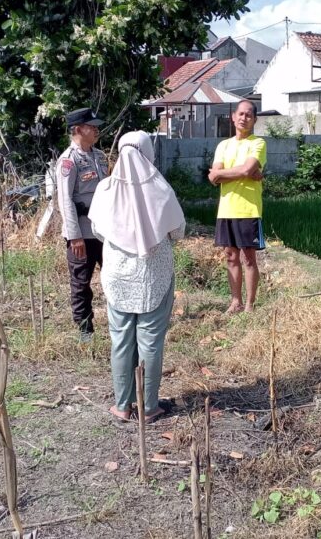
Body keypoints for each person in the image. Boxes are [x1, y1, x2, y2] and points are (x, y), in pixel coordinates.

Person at [88, 131, 186, 422]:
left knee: (120, 340)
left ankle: (122, 406)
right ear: (148, 153)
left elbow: (97, 230)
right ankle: (148, 407)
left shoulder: (105, 189)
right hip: (153, 276)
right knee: (151, 341)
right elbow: (178, 231)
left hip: (117, 275)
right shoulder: (161, 189)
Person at [56, 107, 109, 343]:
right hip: (82, 232)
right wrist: (74, 236)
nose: (96, 130)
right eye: (91, 126)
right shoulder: (68, 161)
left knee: (113, 276)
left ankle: (119, 321)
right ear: (78, 129)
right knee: (81, 282)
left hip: (103, 231)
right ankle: (85, 330)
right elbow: (65, 200)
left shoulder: (98, 156)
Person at [208, 100, 266, 314]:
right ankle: (236, 301)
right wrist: (240, 172)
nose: (244, 118)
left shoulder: (258, 143)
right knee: (230, 257)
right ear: (233, 117)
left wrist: (223, 174)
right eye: (240, 114)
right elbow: (214, 178)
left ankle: (250, 305)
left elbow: (245, 170)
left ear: (254, 120)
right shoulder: (223, 145)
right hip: (226, 210)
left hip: (249, 209)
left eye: (248, 115)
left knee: (249, 258)